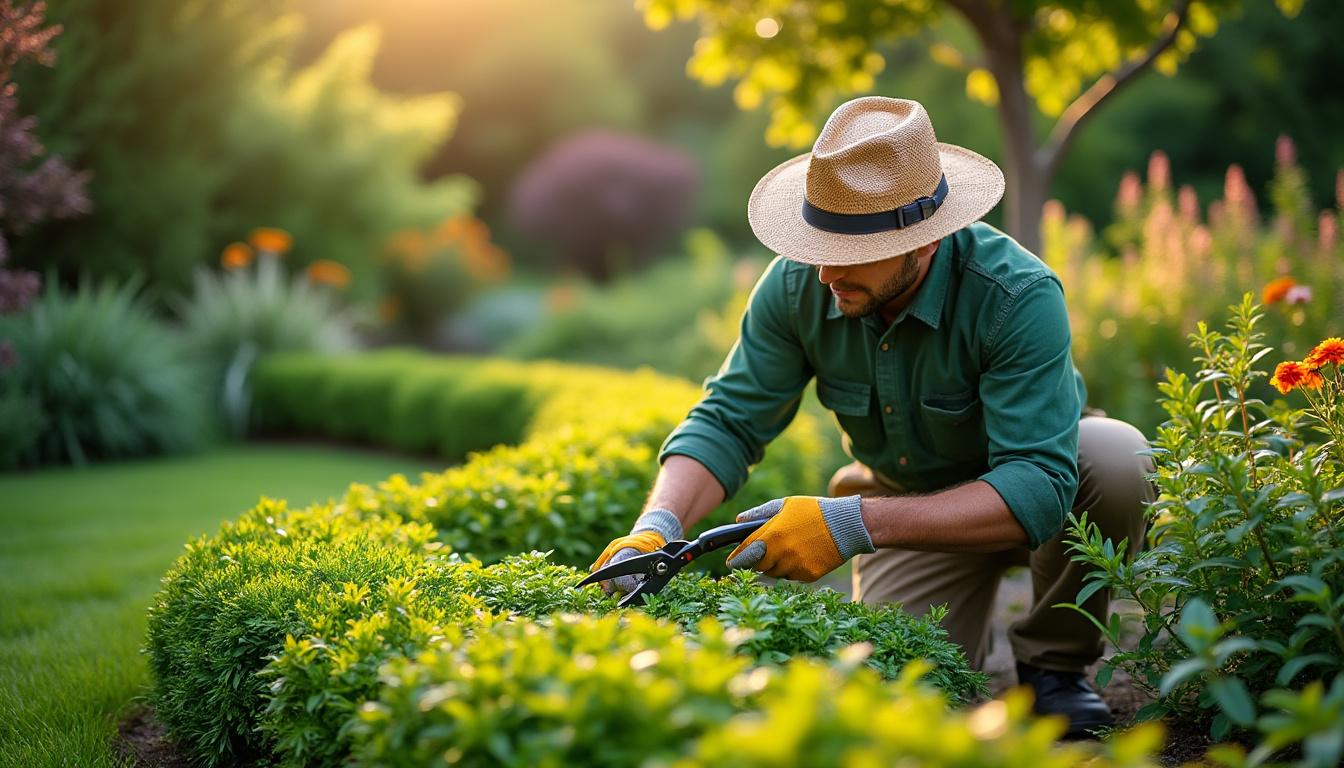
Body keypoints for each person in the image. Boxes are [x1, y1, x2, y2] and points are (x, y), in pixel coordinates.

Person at [588, 96, 1152, 739]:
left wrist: (851, 523)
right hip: (911, 513)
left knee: (1112, 457)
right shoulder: (799, 285)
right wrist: (658, 525)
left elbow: (1038, 487)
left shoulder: (1016, 295)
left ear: (926, 239)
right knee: (891, 700)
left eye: (851, 251)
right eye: (816, 243)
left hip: (1044, 501)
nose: (826, 271)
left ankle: (1054, 668)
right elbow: (728, 420)